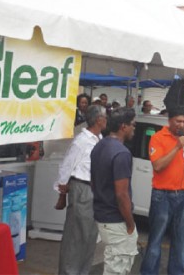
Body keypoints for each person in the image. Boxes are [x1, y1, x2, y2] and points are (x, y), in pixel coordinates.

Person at [140, 106, 184, 275]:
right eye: (178, 121)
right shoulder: (157, 138)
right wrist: (177, 147)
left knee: (182, 240)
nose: (181, 125)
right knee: (156, 238)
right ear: (170, 121)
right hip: (162, 195)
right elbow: (158, 166)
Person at [56, 105, 107, 275]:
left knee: (90, 236)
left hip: (94, 190)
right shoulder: (82, 141)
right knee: (76, 236)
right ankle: (69, 271)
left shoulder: (98, 137)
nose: (106, 120)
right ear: (98, 120)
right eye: (105, 117)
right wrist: (62, 192)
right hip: (82, 188)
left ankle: (82, 271)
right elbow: (67, 166)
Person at [90, 107, 138, 275]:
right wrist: (130, 224)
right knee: (118, 266)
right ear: (123, 126)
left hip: (102, 214)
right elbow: (121, 194)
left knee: (113, 263)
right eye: (133, 125)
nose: (134, 128)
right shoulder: (122, 153)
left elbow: (93, 181)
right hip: (115, 219)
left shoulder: (99, 146)